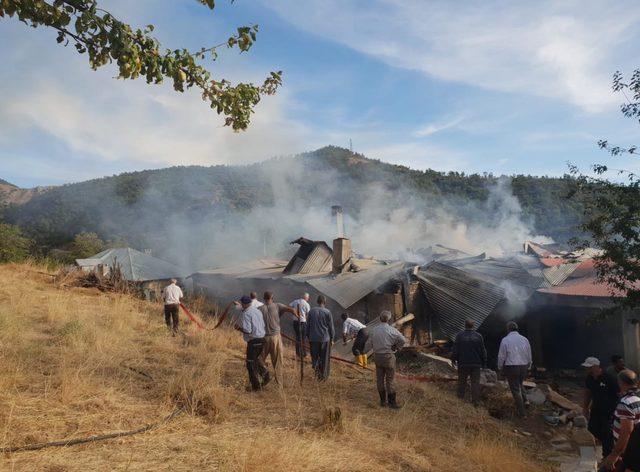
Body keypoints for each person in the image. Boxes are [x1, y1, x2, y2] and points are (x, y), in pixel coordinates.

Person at [366, 310, 406, 409]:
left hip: (377, 356)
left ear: (380, 319)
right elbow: (403, 340)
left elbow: (370, 342)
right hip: (388, 356)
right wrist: (396, 347)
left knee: (380, 379)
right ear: (389, 319)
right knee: (390, 379)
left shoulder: (374, 330)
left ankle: (383, 402)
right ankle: (392, 403)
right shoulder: (392, 330)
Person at [602, 369, 640, 471]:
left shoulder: (626, 402)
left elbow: (627, 431)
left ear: (620, 383)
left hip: (629, 451)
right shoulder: (638, 398)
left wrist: (615, 454)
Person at [581, 356, 619, 458]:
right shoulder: (589, 378)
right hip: (596, 409)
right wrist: (585, 408)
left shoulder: (609, 378)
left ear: (596, 366)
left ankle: (607, 456)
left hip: (609, 411)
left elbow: (618, 393)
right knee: (593, 430)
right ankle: (593, 454)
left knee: (607, 433)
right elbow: (588, 392)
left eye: (589, 367)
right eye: (586, 367)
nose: (587, 369)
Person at [258, 291, 296, 386]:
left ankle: (265, 375)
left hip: (264, 338)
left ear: (264, 298)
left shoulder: (260, 309)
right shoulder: (277, 305)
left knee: (259, 359)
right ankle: (279, 385)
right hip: (275, 338)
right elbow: (290, 309)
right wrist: (297, 314)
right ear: (272, 298)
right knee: (278, 361)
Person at [497, 321, 532, 418]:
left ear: (508, 329)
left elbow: (501, 356)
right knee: (520, 383)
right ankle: (526, 400)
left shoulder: (505, 340)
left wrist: (500, 367)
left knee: (515, 389)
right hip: (523, 366)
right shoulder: (525, 339)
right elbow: (529, 353)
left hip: (512, 367)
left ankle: (522, 413)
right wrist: (529, 365)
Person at [235, 295, 270, 391]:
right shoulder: (257, 311)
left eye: (241, 303)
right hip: (262, 340)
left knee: (250, 364)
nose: (241, 305)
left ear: (244, 304)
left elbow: (248, 330)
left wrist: (238, 328)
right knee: (255, 360)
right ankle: (265, 375)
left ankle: (256, 387)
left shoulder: (246, 314)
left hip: (253, 341)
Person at [451, 319, 487, 407]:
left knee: (462, 382)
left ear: (465, 325)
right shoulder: (478, 336)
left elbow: (455, 349)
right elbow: (483, 351)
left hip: (463, 363)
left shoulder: (460, 335)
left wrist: (453, 359)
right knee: (475, 383)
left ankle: (460, 401)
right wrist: (484, 362)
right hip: (476, 364)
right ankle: (475, 402)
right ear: (473, 326)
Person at [306, 295, 335, 381]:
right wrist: (332, 338)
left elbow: (308, 326)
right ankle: (323, 377)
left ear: (317, 301)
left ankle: (317, 374)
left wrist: (308, 336)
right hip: (324, 339)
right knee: (324, 358)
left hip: (313, 339)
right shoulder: (327, 312)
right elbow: (331, 327)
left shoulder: (311, 311)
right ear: (325, 302)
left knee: (315, 357)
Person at [290, 293, 311, 359]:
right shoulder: (307, 304)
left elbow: (289, 306)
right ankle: (304, 353)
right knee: (303, 338)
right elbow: (308, 314)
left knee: (297, 337)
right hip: (302, 322)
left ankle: (297, 353)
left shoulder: (295, 301)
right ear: (306, 298)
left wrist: (294, 313)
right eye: (308, 298)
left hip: (295, 322)